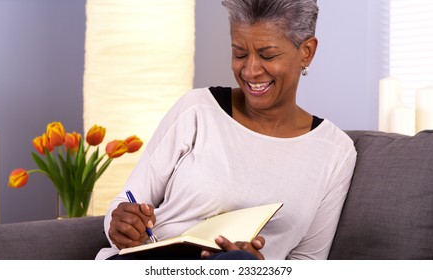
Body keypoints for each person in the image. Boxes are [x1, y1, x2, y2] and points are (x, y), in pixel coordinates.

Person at [96, 0, 356, 260]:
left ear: (306, 52)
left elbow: (309, 262)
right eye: (240, 54)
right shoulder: (197, 109)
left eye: (267, 55)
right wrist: (121, 223)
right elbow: (125, 203)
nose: (250, 70)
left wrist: (258, 268)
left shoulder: (335, 152)